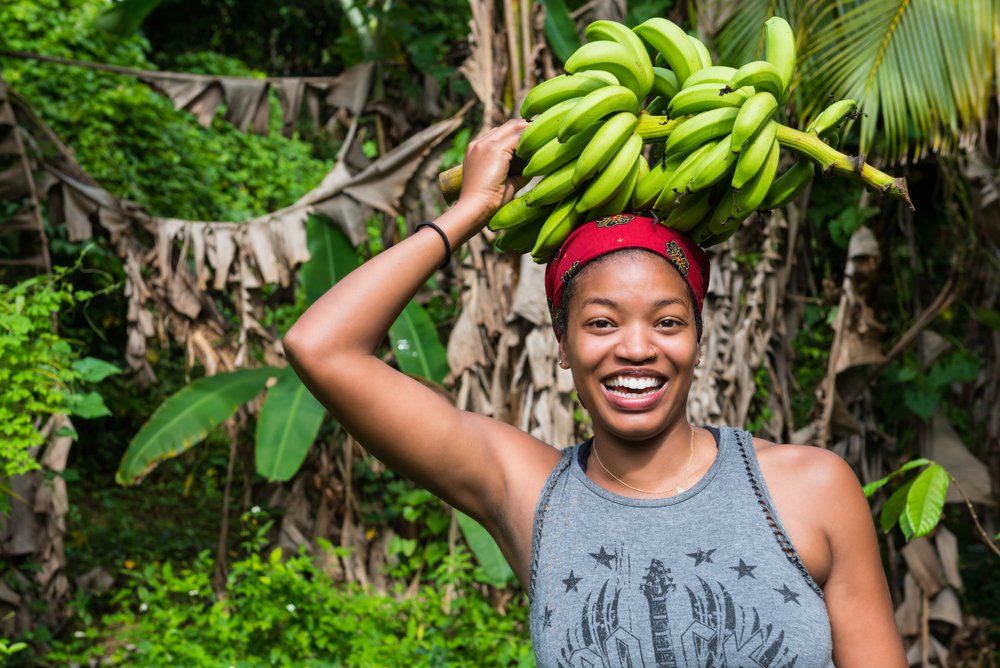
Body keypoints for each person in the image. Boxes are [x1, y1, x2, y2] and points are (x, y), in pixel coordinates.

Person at [282, 119, 907, 667]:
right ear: (560, 344)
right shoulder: (529, 495)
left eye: (667, 322)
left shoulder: (810, 487)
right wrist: (465, 213)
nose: (636, 348)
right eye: (602, 322)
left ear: (697, 338)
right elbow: (321, 348)